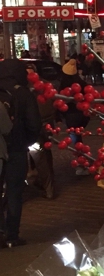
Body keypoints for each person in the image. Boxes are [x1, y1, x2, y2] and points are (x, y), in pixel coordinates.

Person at [0, 59, 41, 248]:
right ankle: (12, 235)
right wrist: (26, 142)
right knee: (15, 192)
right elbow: (34, 124)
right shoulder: (23, 93)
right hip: (16, 148)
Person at [25, 63, 56, 199]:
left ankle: (48, 188)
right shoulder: (46, 85)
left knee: (40, 156)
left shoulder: (28, 89)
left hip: (38, 126)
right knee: (45, 154)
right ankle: (47, 182)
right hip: (46, 124)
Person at [59, 59, 90, 175]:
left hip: (71, 115)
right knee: (78, 138)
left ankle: (82, 163)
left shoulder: (64, 85)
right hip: (82, 115)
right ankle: (83, 161)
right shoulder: (82, 83)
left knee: (76, 140)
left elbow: (59, 101)